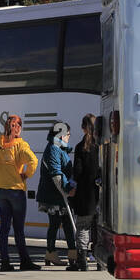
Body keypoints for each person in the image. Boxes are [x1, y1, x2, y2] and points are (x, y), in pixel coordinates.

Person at [0, 113, 40, 271]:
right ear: (18, 128)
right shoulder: (21, 145)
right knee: (18, 229)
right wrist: (26, 174)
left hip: (1, 191)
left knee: (4, 229)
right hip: (16, 191)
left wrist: (0, 179)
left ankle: (5, 263)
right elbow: (33, 160)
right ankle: (24, 261)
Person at [36, 121, 77, 267]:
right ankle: (52, 252)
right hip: (54, 195)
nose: (69, 137)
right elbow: (56, 173)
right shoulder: (54, 149)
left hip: (57, 194)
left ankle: (71, 251)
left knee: (64, 222)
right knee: (55, 223)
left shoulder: (59, 148)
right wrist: (66, 189)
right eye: (68, 135)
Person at [71, 113, 101, 271]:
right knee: (99, 228)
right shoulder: (101, 146)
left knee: (83, 227)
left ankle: (82, 261)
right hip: (100, 195)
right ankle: (100, 261)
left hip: (84, 195)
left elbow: (77, 172)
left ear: (83, 128)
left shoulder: (80, 147)